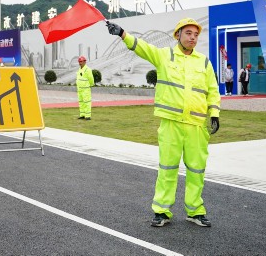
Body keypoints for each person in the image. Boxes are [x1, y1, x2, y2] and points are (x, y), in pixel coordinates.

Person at [107, 18, 221, 228]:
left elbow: (212, 90)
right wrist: (122, 33)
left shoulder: (203, 62)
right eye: (188, 33)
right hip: (171, 123)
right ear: (178, 35)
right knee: (167, 168)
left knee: (197, 170)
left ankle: (195, 210)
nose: (192, 38)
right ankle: (162, 211)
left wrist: (214, 113)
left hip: (196, 124)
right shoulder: (164, 56)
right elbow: (142, 47)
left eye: (196, 35)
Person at [76, 55, 95, 120]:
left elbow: (91, 79)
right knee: (81, 102)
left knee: (87, 102)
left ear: (84, 62)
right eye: (79, 61)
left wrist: (91, 84)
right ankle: (82, 114)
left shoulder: (88, 70)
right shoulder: (79, 69)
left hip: (85, 89)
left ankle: (88, 116)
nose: (80, 63)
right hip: (80, 89)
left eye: (81, 61)